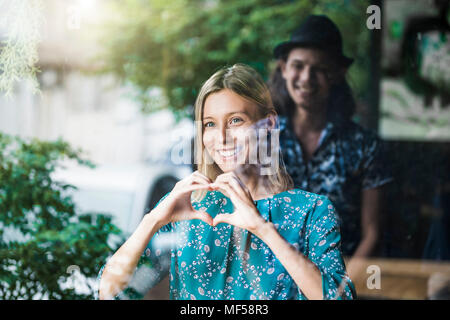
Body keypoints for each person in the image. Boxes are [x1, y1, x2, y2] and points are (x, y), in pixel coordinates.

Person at [97, 63, 355, 300]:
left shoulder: (312, 211)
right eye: (210, 124)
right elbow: (108, 292)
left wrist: (262, 228)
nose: (221, 137)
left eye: (235, 121)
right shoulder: (187, 207)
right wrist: (152, 220)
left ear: (268, 124)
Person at [268, 15, 393, 269]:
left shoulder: (365, 146)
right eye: (298, 66)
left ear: (338, 73)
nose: (306, 78)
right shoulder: (262, 140)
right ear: (283, 68)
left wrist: (340, 293)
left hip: (341, 281)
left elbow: (372, 235)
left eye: (320, 69)